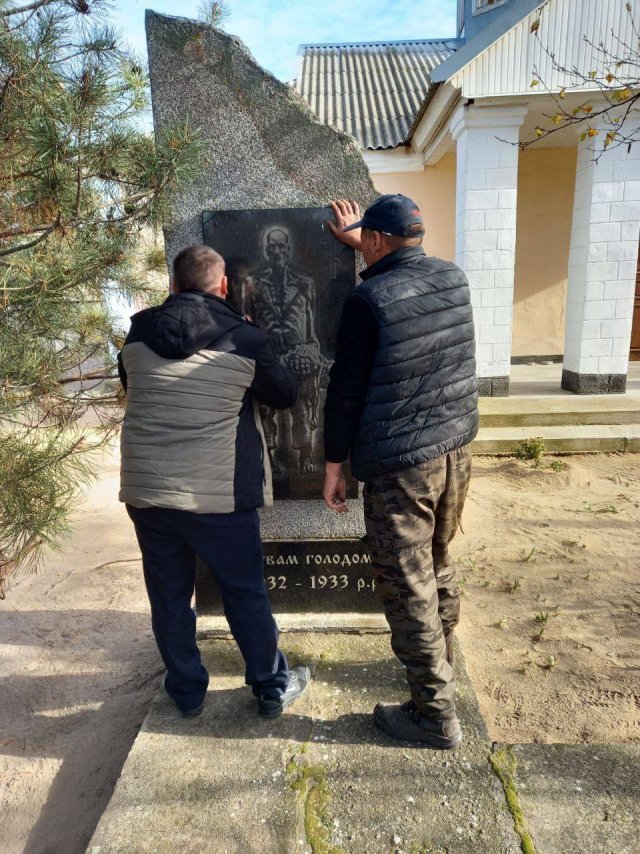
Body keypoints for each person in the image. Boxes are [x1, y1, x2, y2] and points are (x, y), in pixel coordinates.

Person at [118, 245, 310, 719]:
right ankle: (269, 685)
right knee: (244, 591)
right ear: (224, 287)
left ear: (173, 285)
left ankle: (185, 691)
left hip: (147, 492)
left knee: (167, 595)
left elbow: (131, 383)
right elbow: (284, 393)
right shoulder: (243, 337)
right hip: (217, 494)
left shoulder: (140, 329)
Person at [323, 196, 479, 749]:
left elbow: (344, 391)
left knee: (406, 582)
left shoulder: (368, 301)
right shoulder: (451, 278)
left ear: (380, 241)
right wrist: (359, 243)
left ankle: (433, 715)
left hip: (401, 465)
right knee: (437, 561)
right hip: (455, 451)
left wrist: (334, 463)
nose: (361, 239)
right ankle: (440, 662)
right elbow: (404, 281)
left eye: (366, 235)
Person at [246, 227, 325, 477]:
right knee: (263, 407)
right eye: (273, 247)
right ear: (267, 250)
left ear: (288, 250)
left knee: (302, 403)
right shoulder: (252, 284)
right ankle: (268, 455)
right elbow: (247, 322)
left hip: (296, 353)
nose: (277, 251)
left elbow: (310, 323)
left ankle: (305, 452)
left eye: (282, 246)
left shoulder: (304, 283)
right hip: (267, 353)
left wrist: (312, 351)